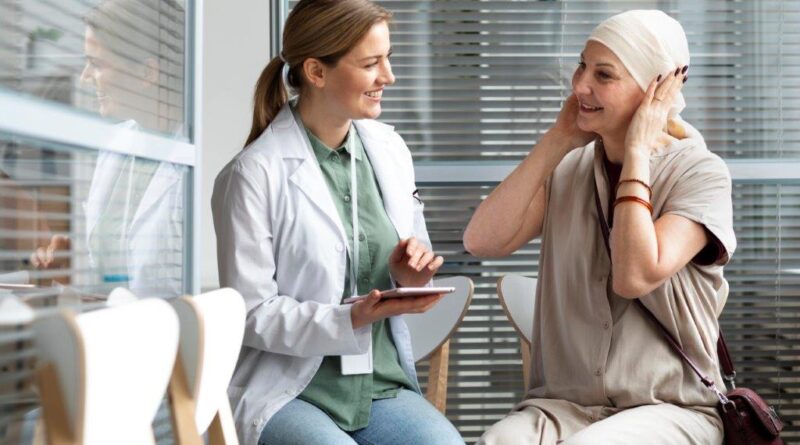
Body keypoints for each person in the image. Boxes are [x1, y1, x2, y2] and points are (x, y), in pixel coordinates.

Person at [464, 10, 735, 445]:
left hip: (671, 408)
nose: (580, 86)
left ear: (655, 87)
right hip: (563, 406)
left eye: (603, 75)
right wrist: (557, 139)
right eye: (582, 66)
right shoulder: (569, 167)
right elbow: (482, 240)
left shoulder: (699, 173)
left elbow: (633, 275)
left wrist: (637, 152)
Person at [211, 1, 464, 444]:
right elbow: (251, 313)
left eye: (388, 59)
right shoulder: (253, 174)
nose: (389, 76)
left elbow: (411, 254)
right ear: (316, 71)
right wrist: (348, 319)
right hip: (292, 389)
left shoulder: (390, 151)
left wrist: (410, 275)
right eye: (371, 64)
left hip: (379, 385)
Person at [30, 0, 186, 298]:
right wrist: (71, 266)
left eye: (97, 64)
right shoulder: (116, 146)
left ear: (147, 73)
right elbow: (113, 273)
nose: (85, 76)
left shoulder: (194, 162)